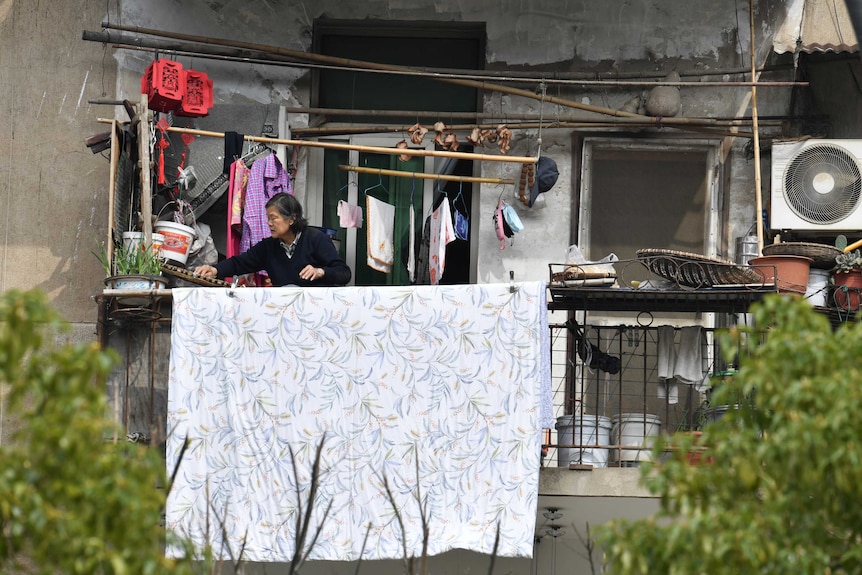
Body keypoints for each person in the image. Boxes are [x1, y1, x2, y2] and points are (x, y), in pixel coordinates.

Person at [194, 193, 351, 287]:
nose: (269, 223)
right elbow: (240, 263)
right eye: (268, 218)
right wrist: (214, 270)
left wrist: (320, 271)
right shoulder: (269, 247)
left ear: (291, 219)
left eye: (273, 218)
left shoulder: (316, 239)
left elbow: (344, 273)